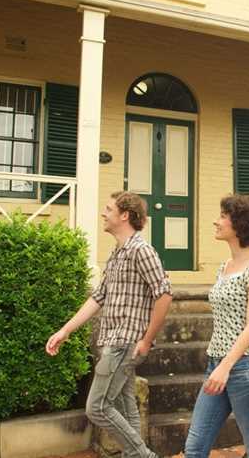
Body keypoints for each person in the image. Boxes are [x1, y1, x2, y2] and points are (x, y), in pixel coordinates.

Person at [46, 191, 172, 458]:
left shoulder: (141, 250)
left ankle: (142, 455)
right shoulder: (117, 253)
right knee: (126, 409)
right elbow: (98, 297)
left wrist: (147, 339)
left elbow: (164, 294)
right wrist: (65, 330)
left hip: (125, 342)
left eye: (108, 209)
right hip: (113, 340)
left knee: (97, 407)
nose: (103, 213)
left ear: (125, 215)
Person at [184, 195, 249, 458]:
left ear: (241, 225)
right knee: (194, 448)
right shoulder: (224, 267)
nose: (216, 221)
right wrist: (219, 365)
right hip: (218, 365)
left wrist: (226, 366)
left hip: (246, 369)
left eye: (223, 216)